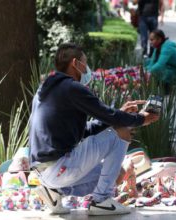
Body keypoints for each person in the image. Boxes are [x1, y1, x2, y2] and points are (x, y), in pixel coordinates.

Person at [29, 43, 159, 215]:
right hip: (60, 166)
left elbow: (85, 130)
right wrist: (141, 119)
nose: (87, 68)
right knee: (122, 132)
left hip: (44, 173)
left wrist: (119, 113)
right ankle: (101, 201)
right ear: (75, 63)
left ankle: (54, 192)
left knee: (117, 174)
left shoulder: (47, 89)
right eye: (85, 62)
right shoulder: (72, 88)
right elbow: (108, 115)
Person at [146, 29, 176, 93]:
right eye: (150, 40)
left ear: (159, 39)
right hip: (171, 71)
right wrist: (145, 71)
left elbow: (160, 64)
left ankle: (169, 87)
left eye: (152, 40)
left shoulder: (167, 48)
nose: (150, 42)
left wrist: (148, 73)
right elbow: (152, 62)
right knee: (147, 62)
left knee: (159, 69)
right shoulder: (158, 47)